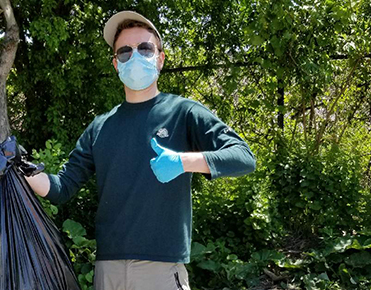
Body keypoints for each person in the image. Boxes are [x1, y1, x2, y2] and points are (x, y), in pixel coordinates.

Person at [24, 10, 257, 290]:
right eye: (124, 52)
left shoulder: (183, 112)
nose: (134, 57)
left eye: (144, 48)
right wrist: (22, 170)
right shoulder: (100, 127)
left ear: (160, 58)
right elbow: (61, 188)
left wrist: (184, 161)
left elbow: (243, 157)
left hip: (160, 267)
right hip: (108, 269)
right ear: (115, 64)